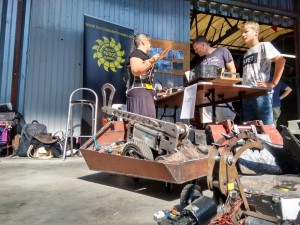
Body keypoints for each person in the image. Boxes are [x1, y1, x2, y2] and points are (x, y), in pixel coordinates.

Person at [239, 21, 286, 125]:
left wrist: (273, 83)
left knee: (266, 128)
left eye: (246, 31)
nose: (243, 35)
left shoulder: (265, 45)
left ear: (256, 32)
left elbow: (281, 60)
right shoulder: (246, 53)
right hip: (247, 95)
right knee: (250, 129)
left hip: (260, 93)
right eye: (241, 33)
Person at [192, 36, 237, 123]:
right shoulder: (200, 61)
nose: (195, 51)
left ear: (203, 44)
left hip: (222, 92)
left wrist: (231, 87)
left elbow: (232, 69)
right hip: (206, 95)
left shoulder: (222, 51)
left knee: (225, 120)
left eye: (196, 48)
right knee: (207, 122)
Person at [126, 33, 160, 118]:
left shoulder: (145, 56)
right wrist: (151, 61)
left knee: (149, 123)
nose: (150, 44)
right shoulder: (136, 54)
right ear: (143, 42)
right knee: (141, 122)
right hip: (139, 93)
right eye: (149, 42)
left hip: (146, 92)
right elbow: (136, 70)